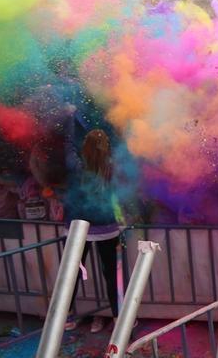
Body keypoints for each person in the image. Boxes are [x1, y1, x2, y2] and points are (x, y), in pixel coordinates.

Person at [64, 129, 122, 334]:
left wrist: (69, 119)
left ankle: (67, 317)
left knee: (71, 274)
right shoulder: (111, 168)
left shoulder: (76, 167)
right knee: (113, 275)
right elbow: (121, 195)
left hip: (78, 228)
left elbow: (67, 145)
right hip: (107, 227)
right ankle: (118, 316)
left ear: (85, 147)